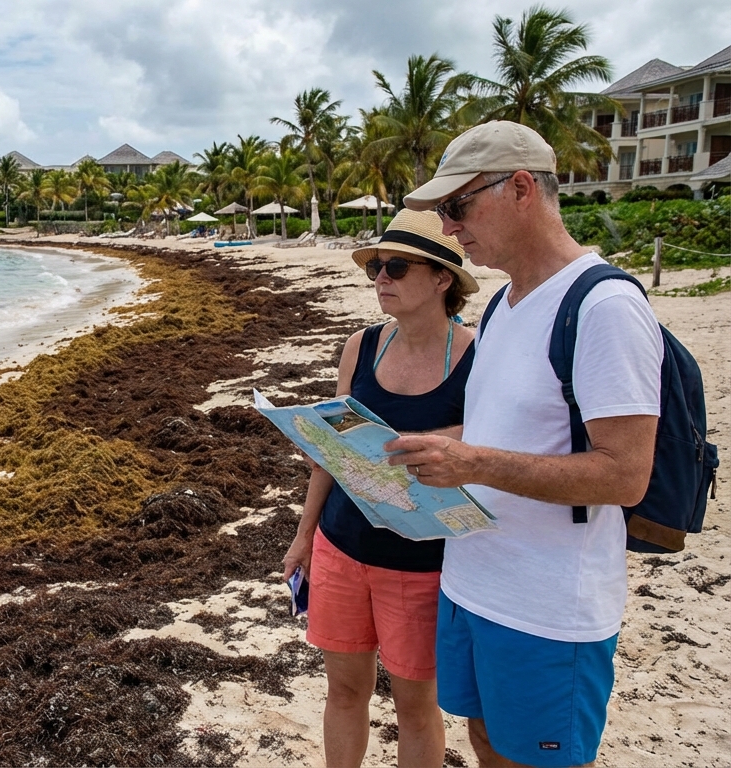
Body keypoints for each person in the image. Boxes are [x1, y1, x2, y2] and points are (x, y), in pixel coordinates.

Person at [387, 121, 662, 768]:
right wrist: (429, 448)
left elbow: (626, 475)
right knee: (485, 744)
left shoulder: (604, 306)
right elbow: (503, 428)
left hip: (548, 609)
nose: (449, 228)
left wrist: (472, 462)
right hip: (473, 582)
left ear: (519, 189)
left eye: (457, 206)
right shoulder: (505, 303)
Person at [281, 209, 479, 768]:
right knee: (344, 691)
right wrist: (304, 538)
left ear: (443, 279)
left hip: (422, 560)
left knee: (417, 707)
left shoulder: (477, 357)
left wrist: (440, 439)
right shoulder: (361, 347)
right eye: (375, 268)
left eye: (395, 267)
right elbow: (329, 452)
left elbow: (493, 447)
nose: (380, 279)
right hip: (342, 545)